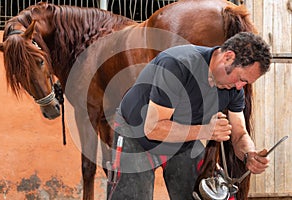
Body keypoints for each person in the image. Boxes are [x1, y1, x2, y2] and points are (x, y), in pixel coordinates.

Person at [107, 32, 272, 200]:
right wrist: (206, 131)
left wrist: (249, 154)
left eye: (245, 83)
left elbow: (239, 134)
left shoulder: (233, 88)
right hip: (137, 134)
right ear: (228, 57)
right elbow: (153, 128)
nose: (239, 86)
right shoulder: (178, 64)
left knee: (196, 196)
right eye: (240, 78)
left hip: (183, 140)